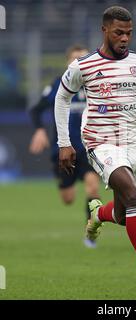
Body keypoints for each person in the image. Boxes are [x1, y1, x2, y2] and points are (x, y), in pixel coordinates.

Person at [54, 6, 136, 295]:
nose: (125, 38)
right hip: (101, 142)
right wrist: (64, 142)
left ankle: (98, 215)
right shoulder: (82, 66)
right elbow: (61, 99)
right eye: (119, 32)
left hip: (135, 145)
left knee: (124, 215)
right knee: (135, 198)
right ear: (105, 30)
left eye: (129, 33)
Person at [28, 45, 101, 248]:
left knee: (93, 187)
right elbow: (35, 110)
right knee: (67, 198)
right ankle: (70, 187)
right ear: (68, 63)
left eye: (83, 58)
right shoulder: (57, 86)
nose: (79, 62)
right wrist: (40, 130)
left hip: (89, 149)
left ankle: (90, 233)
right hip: (63, 151)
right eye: (75, 59)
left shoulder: (95, 86)